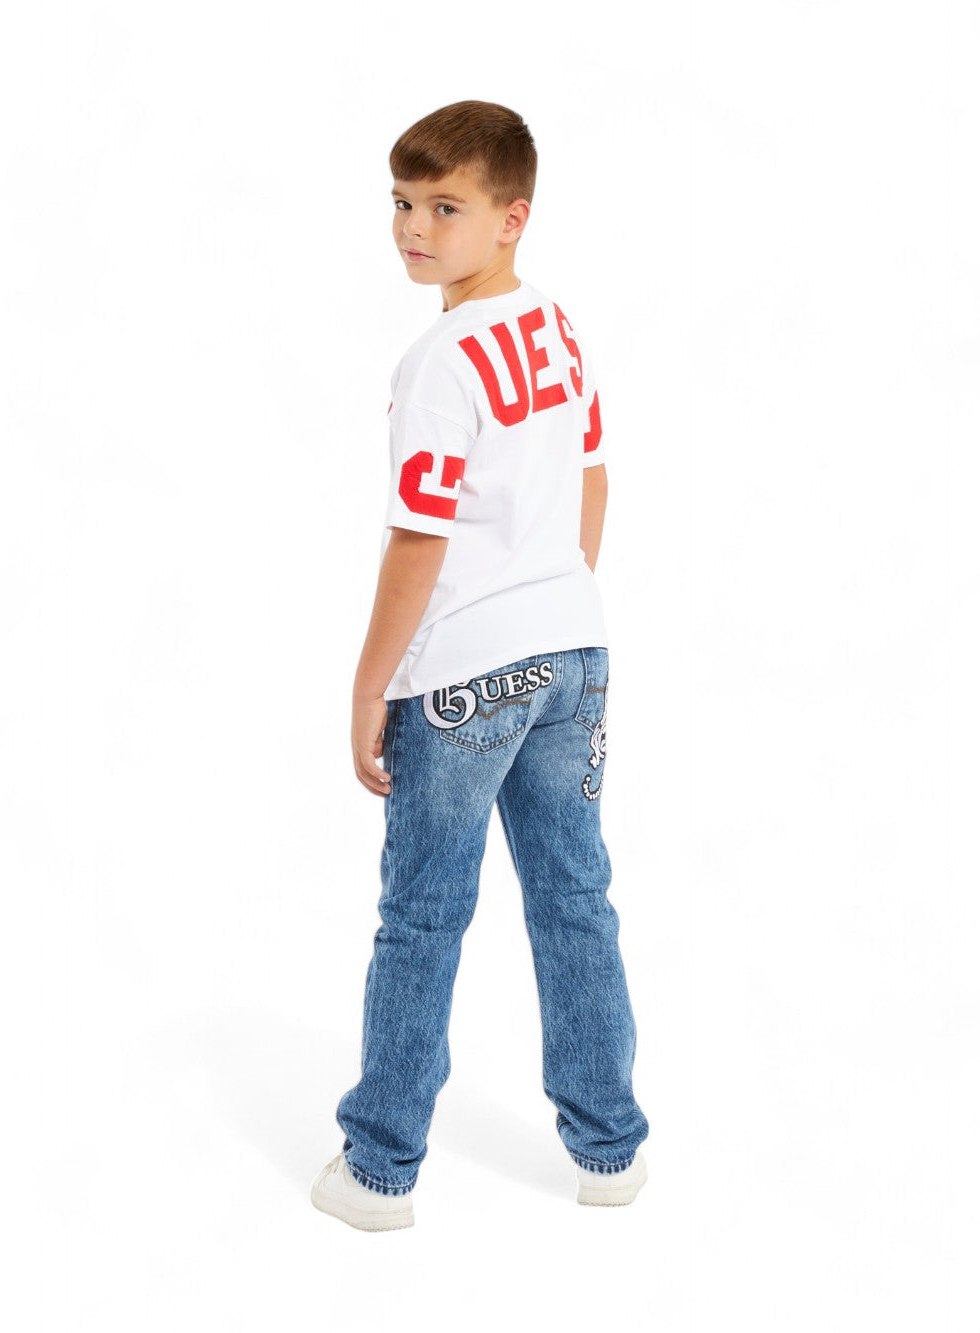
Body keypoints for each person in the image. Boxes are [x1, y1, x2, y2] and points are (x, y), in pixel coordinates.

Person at [310, 100, 649, 1232]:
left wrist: (370, 685)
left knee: (421, 917)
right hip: (574, 650)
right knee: (575, 899)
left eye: (444, 207)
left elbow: (420, 540)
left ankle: (379, 1170)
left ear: (512, 217)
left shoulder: (439, 363)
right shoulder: (555, 328)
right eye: (402, 203)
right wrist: (556, 590)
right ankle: (610, 1149)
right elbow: (593, 472)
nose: (414, 228)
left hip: (460, 676)